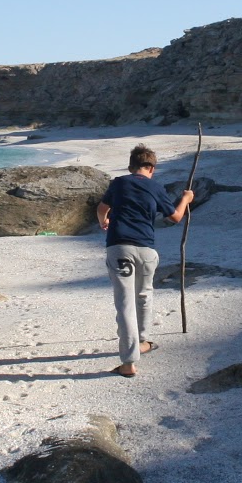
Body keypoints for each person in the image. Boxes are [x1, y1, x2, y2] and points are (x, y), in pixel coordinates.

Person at [96, 144, 195, 377]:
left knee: (125, 303)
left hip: (120, 247)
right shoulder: (156, 187)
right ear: (152, 168)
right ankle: (142, 341)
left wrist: (104, 221)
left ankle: (129, 362)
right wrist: (186, 199)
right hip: (147, 250)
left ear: (131, 167)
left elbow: (102, 208)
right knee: (144, 295)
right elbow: (175, 217)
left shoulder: (119, 183)